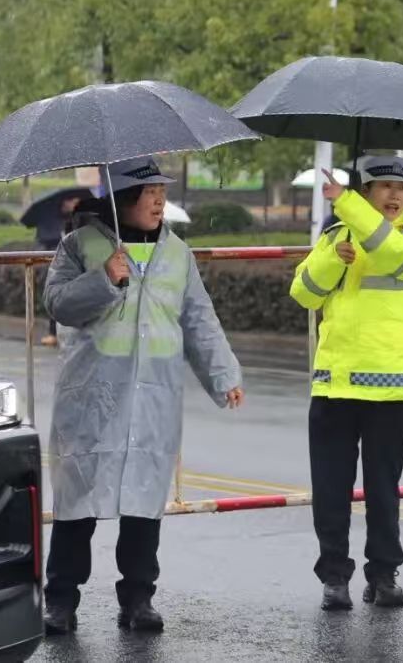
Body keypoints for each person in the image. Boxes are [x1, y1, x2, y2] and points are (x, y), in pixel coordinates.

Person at [42, 156, 245, 635]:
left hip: (154, 399)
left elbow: (198, 320)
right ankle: (60, 601)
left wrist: (223, 375)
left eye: (161, 190)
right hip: (93, 398)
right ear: (121, 197)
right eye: (147, 190)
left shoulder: (177, 253)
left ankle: (138, 599)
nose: (158, 199)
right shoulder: (80, 246)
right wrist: (103, 278)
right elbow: (57, 304)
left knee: (142, 503)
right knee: (78, 505)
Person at [291, 156, 403, 611]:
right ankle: (334, 577)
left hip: (390, 385)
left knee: (383, 489)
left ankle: (384, 575)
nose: (395, 196)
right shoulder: (337, 235)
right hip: (335, 383)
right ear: (368, 190)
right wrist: (332, 262)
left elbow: (395, 254)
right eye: (384, 187)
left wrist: (348, 205)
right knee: (331, 489)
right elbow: (303, 292)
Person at [38, 195, 84, 348]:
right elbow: (44, 238)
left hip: (77, 266)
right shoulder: (52, 221)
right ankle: (53, 333)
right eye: (70, 200)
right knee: (57, 297)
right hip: (58, 265)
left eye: (76, 200)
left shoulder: (82, 220)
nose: (73, 203)